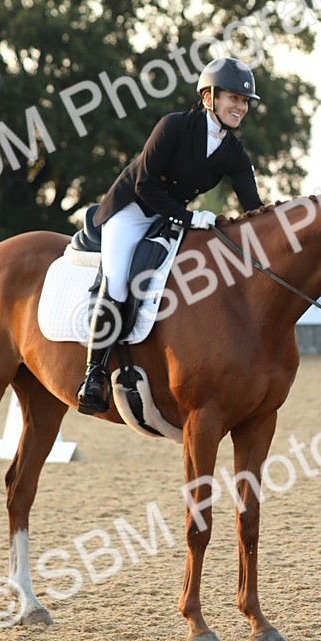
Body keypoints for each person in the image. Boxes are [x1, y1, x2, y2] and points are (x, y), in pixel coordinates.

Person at [77, 57, 264, 414]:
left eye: (244, 102)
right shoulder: (174, 126)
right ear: (209, 97)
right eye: (233, 99)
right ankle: (94, 374)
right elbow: (145, 184)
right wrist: (190, 217)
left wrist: (282, 226)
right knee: (118, 282)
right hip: (130, 210)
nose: (240, 107)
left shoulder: (233, 151)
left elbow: (253, 206)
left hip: (169, 219)